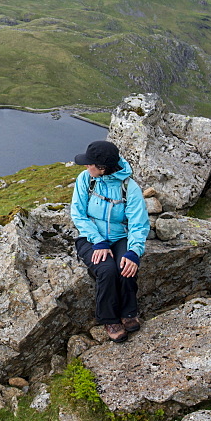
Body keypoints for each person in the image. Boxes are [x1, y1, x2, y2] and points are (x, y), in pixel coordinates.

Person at [69, 140, 150, 343]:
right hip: (90, 237)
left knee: (127, 266)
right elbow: (78, 215)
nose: (86, 167)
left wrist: (134, 251)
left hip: (119, 236)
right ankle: (110, 319)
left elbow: (138, 223)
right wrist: (98, 241)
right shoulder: (85, 179)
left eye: (90, 164)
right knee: (106, 270)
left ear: (102, 168)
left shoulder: (129, 187)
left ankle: (129, 312)